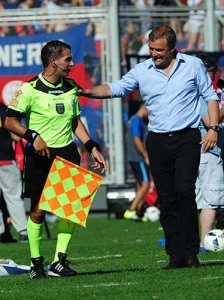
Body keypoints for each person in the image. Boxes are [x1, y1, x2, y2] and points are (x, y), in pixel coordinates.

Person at [77, 25, 219, 269]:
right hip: (157, 139)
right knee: (167, 197)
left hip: (187, 137)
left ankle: (190, 251)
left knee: (185, 191)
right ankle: (175, 255)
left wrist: (213, 128)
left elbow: (210, 97)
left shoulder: (193, 65)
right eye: (151, 49)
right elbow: (117, 87)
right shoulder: (143, 70)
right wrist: (87, 91)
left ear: (173, 49)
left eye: (159, 50)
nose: (153, 54)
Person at [4, 40, 107, 279]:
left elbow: (75, 122)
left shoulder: (71, 86)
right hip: (41, 154)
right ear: (53, 62)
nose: (72, 63)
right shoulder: (29, 89)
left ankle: (59, 261)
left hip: (68, 153)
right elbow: (10, 121)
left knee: (69, 210)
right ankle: (35, 262)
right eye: (67, 59)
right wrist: (33, 136)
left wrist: (91, 146)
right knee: (39, 211)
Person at [195, 53, 224, 252]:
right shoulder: (202, 93)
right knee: (210, 200)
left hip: (194, 152)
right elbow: (210, 121)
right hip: (208, 152)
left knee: (200, 199)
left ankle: (198, 240)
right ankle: (205, 241)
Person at [0, 102, 28, 243]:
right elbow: (16, 137)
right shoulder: (4, 109)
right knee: (13, 197)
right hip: (5, 159)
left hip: (5, 160)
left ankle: (1, 232)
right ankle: (23, 232)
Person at [124, 101, 151, 221]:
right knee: (146, 184)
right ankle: (131, 210)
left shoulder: (132, 120)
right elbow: (137, 140)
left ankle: (139, 212)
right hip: (138, 157)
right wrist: (145, 156)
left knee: (140, 184)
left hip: (132, 157)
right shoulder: (137, 120)